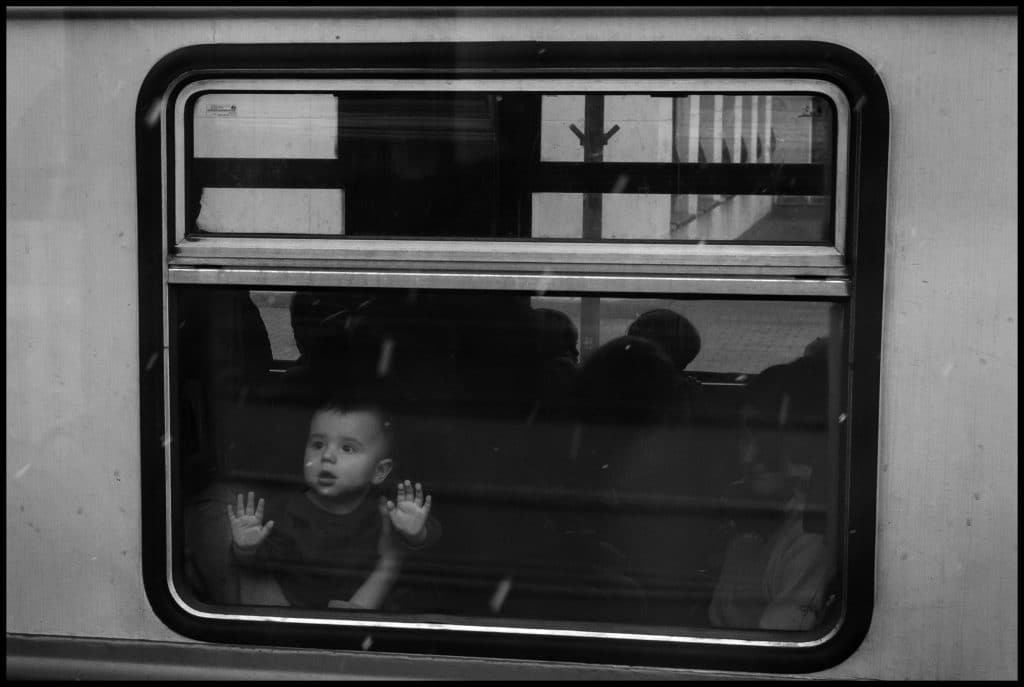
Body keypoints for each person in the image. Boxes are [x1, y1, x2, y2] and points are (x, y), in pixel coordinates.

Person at [227, 392, 440, 610]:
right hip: (298, 624)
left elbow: (424, 542)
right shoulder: (281, 511)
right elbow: (255, 571)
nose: (327, 456)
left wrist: (414, 532)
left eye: (347, 448)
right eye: (318, 444)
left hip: (362, 625)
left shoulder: (384, 511)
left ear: (379, 471)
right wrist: (245, 549)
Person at [708, 352, 830, 631]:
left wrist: (745, 545)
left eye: (764, 437)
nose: (748, 457)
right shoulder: (772, 520)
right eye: (744, 438)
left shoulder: (812, 538)